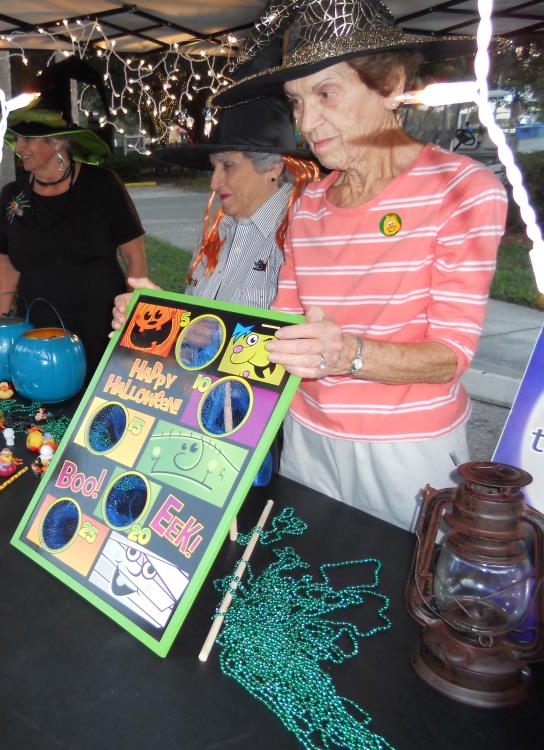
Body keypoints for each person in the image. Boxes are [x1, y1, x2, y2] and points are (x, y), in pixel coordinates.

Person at [212, 0, 501, 530]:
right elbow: (278, 328)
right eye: (296, 102)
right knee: (310, 578)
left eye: (326, 93)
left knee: (400, 593)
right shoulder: (311, 203)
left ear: (390, 82)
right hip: (307, 436)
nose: (306, 123)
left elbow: (450, 356)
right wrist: (164, 330)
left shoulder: (462, 190)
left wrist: (349, 354)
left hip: (407, 452)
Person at [110, 48, 319, 325]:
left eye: (228, 166)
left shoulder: (301, 235)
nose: (214, 182)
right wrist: (160, 313)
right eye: (214, 166)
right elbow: (201, 328)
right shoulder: (219, 232)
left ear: (273, 165)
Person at [0, 58, 148, 374]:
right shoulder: (11, 196)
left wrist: (130, 323)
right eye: (16, 138)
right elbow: (5, 264)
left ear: (57, 141)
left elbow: (135, 258)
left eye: (27, 139)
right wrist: (2, 328)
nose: (18, 148)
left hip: (102, 328)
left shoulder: (102, 185)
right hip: (39, 337)